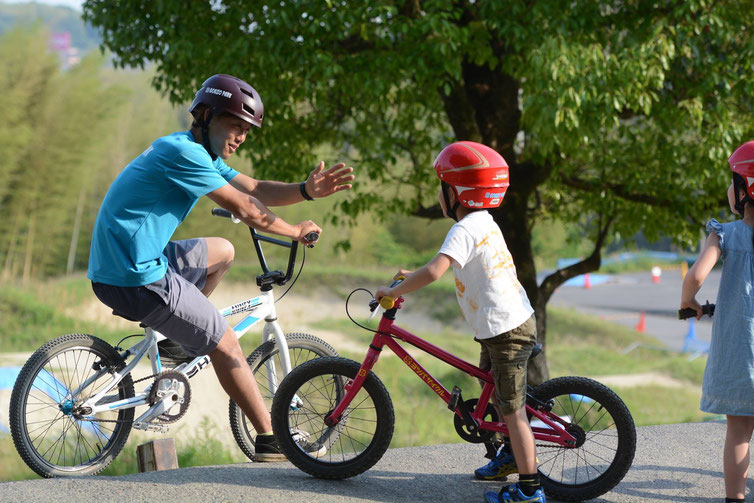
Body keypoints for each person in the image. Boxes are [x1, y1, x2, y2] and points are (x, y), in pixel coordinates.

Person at [87, 74, 354, 461]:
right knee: (226, 342)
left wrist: (306, 191)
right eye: (236, 125)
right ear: (207, 116)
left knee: (223, 251)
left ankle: (177, 339)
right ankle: (269, 438)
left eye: (247, 130)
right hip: (134, 275)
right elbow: (246, 209)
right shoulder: (185, 154)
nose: (241, 136)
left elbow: (256, 188)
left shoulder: (194, 151)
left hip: (128, 260)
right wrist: (295, 231)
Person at [375, 141, 544, 503]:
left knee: (512, 411)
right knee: (495, 396)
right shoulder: (482, 222)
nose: (439, 195)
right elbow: (452, 263)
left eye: (442, 187)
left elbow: (436, 271)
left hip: (506, 333)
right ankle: (510, 456)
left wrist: (392, 289)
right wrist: (410, 275)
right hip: (502, 327)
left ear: (457, 193)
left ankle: (531, 490)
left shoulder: (463, 228)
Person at [681, 140, 754, 503]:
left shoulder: (725, 233)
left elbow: (696, 275)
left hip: (740, 354)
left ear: (744, 190)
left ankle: (735, 499)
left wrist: (688, 301)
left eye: (732, 180)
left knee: (740, 431)